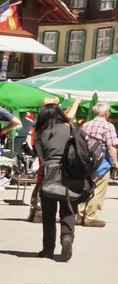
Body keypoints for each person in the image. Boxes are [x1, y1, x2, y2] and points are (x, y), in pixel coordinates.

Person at [32, 97, 93, 262]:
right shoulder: (72, 128)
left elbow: (39, 155)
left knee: (48, 213)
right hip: (71, 174)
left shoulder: (39, 131)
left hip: (49, 174)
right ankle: (67, 239)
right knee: (68, 210)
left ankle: (48, 248)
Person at [78, 103, 117, 226]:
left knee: (84, 187)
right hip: (101, 160)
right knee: (98, 189)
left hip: (85, 159)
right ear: (107, 113)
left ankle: (79, 215)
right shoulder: (108, 126)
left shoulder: (85, 124)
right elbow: (111, 147)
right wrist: (116, 162)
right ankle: (91, 217)